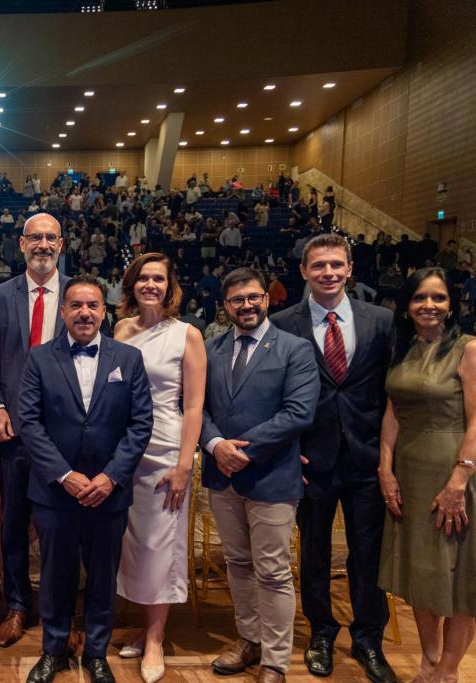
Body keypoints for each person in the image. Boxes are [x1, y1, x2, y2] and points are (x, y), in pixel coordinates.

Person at [271, 234, 397, 682]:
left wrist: (388, 459)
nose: (328, 272)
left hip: (366, 459)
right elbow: (275, 396)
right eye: (319, 265)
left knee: (368, 554)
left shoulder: (381, 321)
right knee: (315, 554)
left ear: (349, 269)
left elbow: (392, 393)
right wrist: (289, 454)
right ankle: (321, 633)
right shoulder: (284, 323)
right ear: (304, 271)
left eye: (336, 265)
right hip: (311, 459)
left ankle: (368, 640)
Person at [17, 275, 153, 683]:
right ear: (63, 312)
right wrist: (65, 475)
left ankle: (96, 652)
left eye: (92, 305)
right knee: (56, 576)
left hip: (108, 493)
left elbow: (141, 423)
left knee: (101, 577)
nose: (84, 313)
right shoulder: (39, 358)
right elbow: (29, 421)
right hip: (55, 493)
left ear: (104, 311)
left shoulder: (128, 359)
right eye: (76, 305)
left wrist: (110, 477)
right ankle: (53, 650)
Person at [200, 267, 320, 683]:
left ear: (267, 299)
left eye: (253, 297)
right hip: (223, 475)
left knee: (272, 570)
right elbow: (196, 408)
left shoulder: (295, 349)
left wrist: (241, 451)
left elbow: (299, 413)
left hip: (271, 476)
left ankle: (275, 660)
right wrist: (217, 446)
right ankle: (249, 640)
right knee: (237, 563)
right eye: (237, 300)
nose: (246, 305)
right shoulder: (210, 348)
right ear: (226, 305)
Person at [379, 266, 476, 683]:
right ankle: (429, 659)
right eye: (420, 298)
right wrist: (385, 467)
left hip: (453, 471)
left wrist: (459, 480)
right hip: (409, 473)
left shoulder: (469, 349)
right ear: (407, 305)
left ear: (452, 304)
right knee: (420, 570)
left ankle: (448, 672)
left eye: (438, 297)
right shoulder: (403, 348)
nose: (429, 305)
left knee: (457, 577)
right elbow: (392, 413)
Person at [112, 254, 206, 683]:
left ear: (170, 286)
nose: (150, 285)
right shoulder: (121, 331)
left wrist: (185, 463)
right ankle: (144, 622)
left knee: (159, 543)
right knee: (132, 546)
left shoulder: (187, 335)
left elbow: (194, 405)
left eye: (159, 279)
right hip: (123, 447)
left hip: (166, 447)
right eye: (143, 278)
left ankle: (155, 638)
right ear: (131, 285)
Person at [0, 213, 70, 647]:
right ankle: (17, 605)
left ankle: (63, 609)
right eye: (35, 237)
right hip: (14, 434)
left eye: (50, 238)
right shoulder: (0, 296)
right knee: (14, 523)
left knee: (61, 527)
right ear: (20, 244)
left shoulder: (79, 295)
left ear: (62, 244)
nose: (42, 245)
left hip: (66, 437)